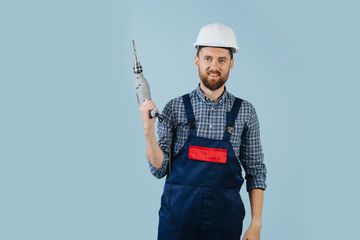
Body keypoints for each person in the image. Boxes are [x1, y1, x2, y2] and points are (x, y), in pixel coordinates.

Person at [139, 23, 267, 240]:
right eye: (208, 58)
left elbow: (256, 172)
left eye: (221, 60)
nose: (214, 66)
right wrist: (148, 130)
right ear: (197, 61)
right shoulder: (175, 108)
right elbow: (159, 169)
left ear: (231, 64)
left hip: (224, 226)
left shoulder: (245, 112)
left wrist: (256, 224)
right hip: (176, 225)